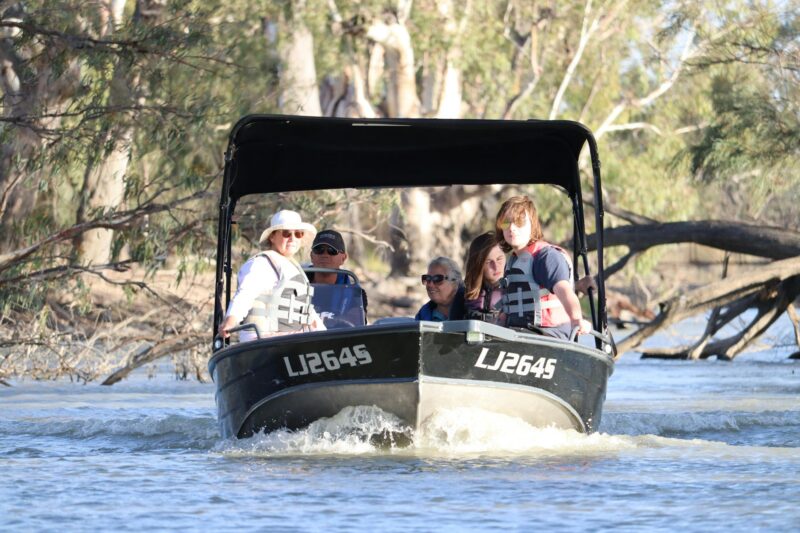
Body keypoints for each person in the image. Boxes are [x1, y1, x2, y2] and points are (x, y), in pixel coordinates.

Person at [219, 209, 326, 341]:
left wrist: (328, 338)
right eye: (286, 233)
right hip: (263, 340)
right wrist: (231, 319)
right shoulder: (262, 263)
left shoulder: (292, 266)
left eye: (298, 234)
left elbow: (308, 312)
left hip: (290, 339)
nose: (293, 238)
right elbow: (245, 294)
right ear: (272, 237)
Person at [495, 195, 592, 339]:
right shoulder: (513, 261)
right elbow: (508, 307)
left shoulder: (546, 257)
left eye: (519, 221)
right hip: (518, 334)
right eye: (506, 223)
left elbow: (565, 292)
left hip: (549, 334)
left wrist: (577, 319)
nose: (512, 228)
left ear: (532, 224)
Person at [463, 232, 506, 325]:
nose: (496, 267)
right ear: (477, 265)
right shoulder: (463, 293)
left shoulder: (516, 290)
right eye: (488, 262)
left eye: (499, 259)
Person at [415, 257, 466, 321]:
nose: (430, 284)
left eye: (438, 279)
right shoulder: (422, 314)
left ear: (455, 283)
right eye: (427, 278)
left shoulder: (471, 310)